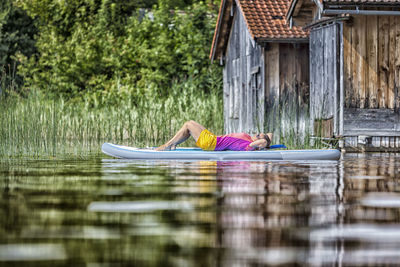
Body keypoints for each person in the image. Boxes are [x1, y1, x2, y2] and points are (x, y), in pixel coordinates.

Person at [155, 120, 272, 151]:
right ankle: (173, 144)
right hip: (214, 138)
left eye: (258, 135)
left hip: (211, 143)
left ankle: (168, 145)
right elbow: (269, 135)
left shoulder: (249, 145)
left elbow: (264, 141)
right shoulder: (248, 139)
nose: (256, 134)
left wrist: (266, 143)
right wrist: (265, 137)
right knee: (190, 123)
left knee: (188, 125)